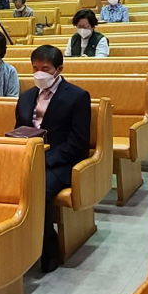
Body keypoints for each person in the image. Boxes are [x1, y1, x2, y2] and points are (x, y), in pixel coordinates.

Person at [14, 45, 91, 273]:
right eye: (35, 68)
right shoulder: (26, 96)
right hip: (29, 158)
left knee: (38, 189)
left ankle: (48, 248)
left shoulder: (77, 96)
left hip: (61, 162)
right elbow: (19, 131)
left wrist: (45, 160)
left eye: (45, 69)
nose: (39, 73)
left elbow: (77, 142)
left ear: (59, 69)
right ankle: (16, 245)